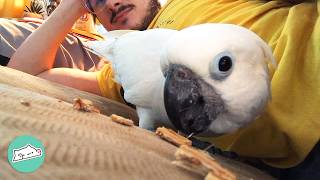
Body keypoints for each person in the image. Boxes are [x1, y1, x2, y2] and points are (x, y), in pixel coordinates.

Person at [8, 0, 320, 179]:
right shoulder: (121, 72)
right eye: (97, 4)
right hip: (303, 161)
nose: (111, 3)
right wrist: (74, 6)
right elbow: (24, 74)